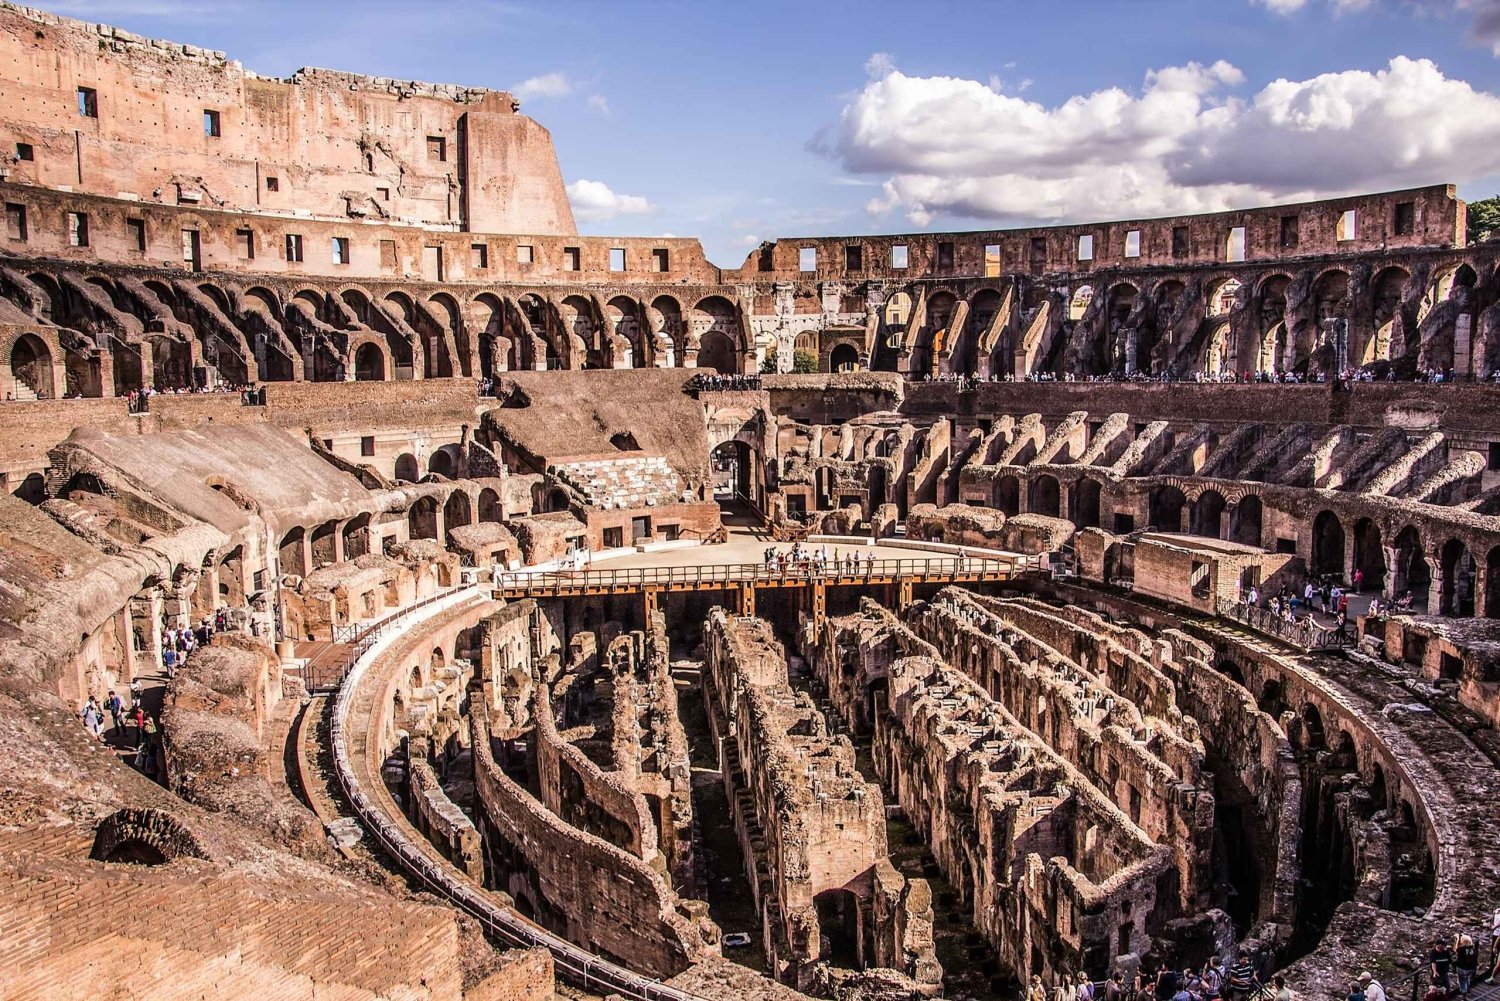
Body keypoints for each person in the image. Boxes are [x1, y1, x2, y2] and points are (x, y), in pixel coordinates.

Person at [1455, 931, 1478, 996]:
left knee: (1462, 980)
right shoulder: (1472, 949)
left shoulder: (1461, 949)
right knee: (1468, 979)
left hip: (1462, 968)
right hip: (1471, 968)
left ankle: (1464, 994)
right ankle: (1468, 990)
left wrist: (1458, 939)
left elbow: (1456, 949)